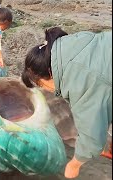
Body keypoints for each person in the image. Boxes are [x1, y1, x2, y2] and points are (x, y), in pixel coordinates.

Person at [21, 26, 112, 178]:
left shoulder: (80, 83)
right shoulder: (75, 43)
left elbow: (92, 140)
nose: (47, 90)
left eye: (41, 85)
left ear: (49, 73)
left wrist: (74, 164)